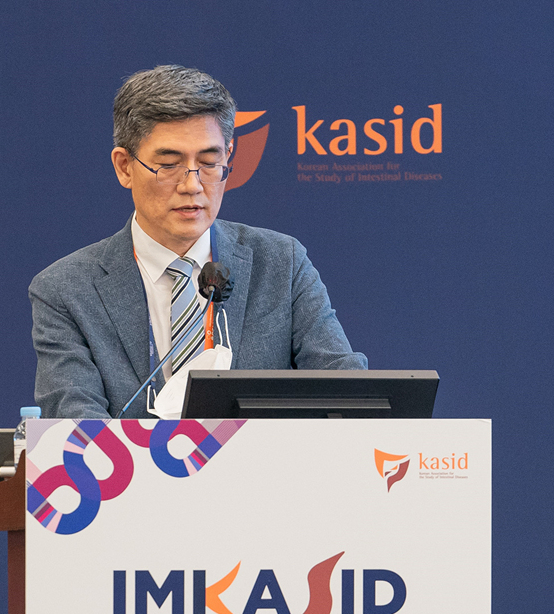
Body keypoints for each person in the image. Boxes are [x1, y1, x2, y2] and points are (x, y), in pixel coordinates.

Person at [30, 64, 367, 418]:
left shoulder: (282, 264)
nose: (192, 185)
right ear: (124, 166)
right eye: (169, 165)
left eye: (208, 162)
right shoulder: (66, 290)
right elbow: (78, 427)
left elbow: (350, 396)